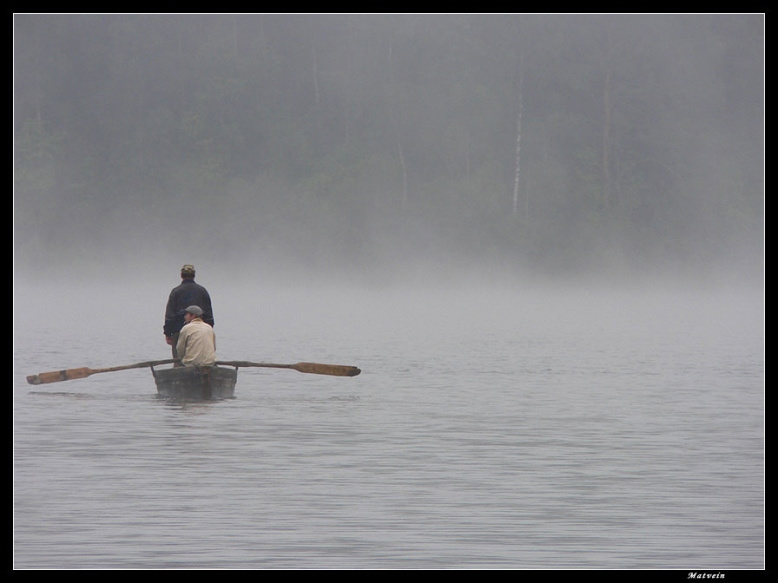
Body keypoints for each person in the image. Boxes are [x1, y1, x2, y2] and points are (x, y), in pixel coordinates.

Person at [163, 264, 214, 360]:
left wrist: (168, 334)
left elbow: (170, 316)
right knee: (200, 359)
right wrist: (208, 330)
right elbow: (209, 315)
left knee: (179, 361)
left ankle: (180, 372)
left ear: (181, 275)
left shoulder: (176, 292)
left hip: (178, 331)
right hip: (200, 332)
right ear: (194, 275)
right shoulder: (202, 291)